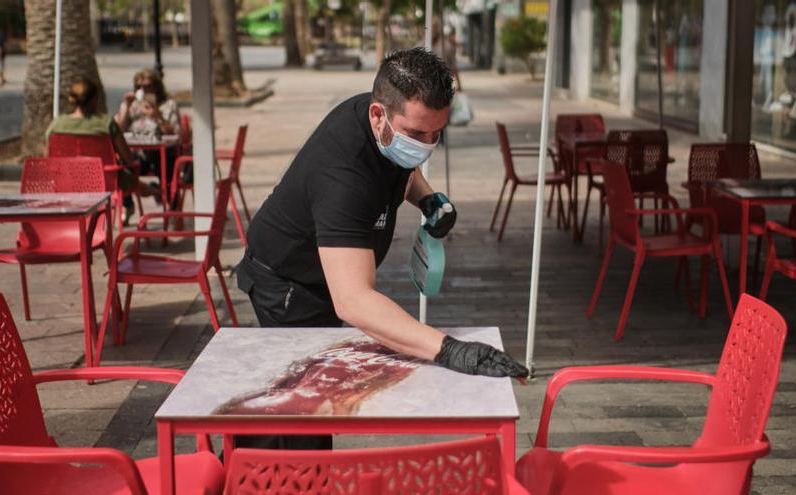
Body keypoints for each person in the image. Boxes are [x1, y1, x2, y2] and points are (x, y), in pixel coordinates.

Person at [233, 48, 528, 450]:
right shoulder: (344, 177)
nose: (425, 146)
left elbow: (403, 168)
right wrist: (449, 350)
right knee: (298, 417)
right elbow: (353, 301)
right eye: (416, 135)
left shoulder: (386, 125)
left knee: (296, 412)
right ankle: (250, 473)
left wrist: (426, 198)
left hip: (320, 275)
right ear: (379, 115)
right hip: (287, 284)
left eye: (435, 134)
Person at [46, 77, 151, 222]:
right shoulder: (106, 124)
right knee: (129, 174)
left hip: (66, 180)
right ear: (95, 99)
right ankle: (153, 191)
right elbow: (128, 158)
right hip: (104, 182)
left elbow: (50, 157)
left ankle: (150, 190)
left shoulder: (56, 125)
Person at [115, 69, 180, 202]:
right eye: (139, 87)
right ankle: (129, 204)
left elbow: (174, 134)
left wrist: (157, 116)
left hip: (161, 152)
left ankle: (167, 199)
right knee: (122, 164)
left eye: (147, 86)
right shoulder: (132, 105)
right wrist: (127, 106)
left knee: (166, 159)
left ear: (156, 86)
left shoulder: (168, 105)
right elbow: (118, 131)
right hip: (137, 153)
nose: (143, 90)